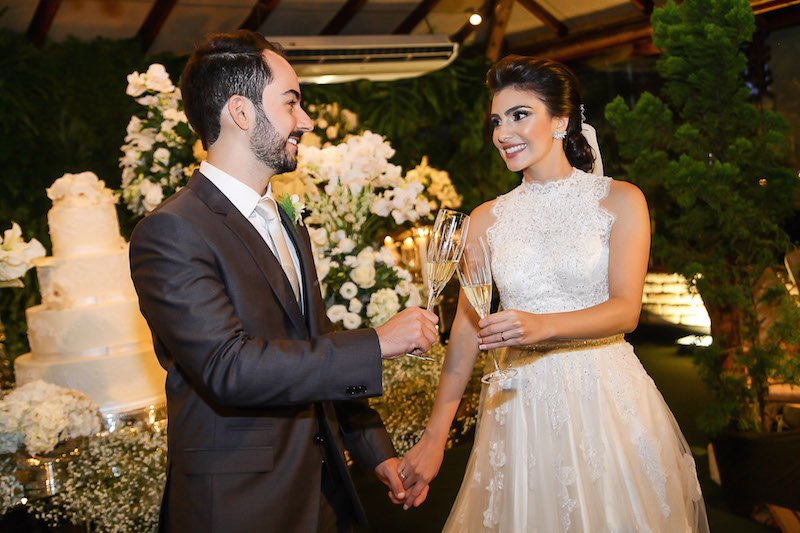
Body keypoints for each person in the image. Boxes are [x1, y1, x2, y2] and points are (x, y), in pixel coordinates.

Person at [129, 30, 438, 533]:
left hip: (322, 496)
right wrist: (379, 343)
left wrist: (373, 450)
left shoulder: (287, 220)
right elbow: (229, 367)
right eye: (291, 103)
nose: (306, 120)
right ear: (241, 111)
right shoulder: (172, 231)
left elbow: (311, 345)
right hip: (239, 508)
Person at [396, 55, 709, 532]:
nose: (503, 132)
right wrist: (435, 436)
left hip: (604, 397)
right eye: (497, 120)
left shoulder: (620, 200)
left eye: (520, 115)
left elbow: (626, 311)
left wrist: (542, 325)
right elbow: (466, 324)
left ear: (561, 120)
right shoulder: (485, 218)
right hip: (519, 403)